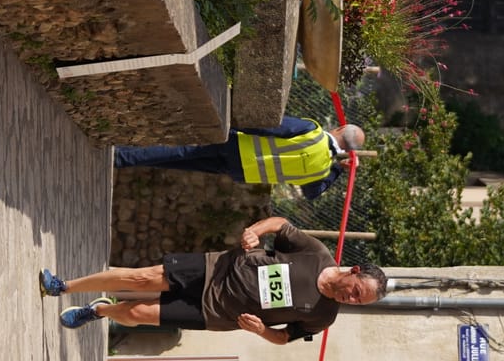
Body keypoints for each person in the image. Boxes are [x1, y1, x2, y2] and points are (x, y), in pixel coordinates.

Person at [41, 214, 387, 344]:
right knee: (142, 277)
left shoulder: (323, 316)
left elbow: (285, 338)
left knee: (136, 314)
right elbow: (280, 224)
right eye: (357, 292)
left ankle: (99, 312)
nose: (352, 300)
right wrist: (253, 232)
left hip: (215, 314)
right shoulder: (314, 253)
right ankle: (63, 286)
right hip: (215, 269)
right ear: (354, 272)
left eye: (359, 302)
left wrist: (261, 331)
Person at [111, 117, 363, 201]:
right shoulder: (322, 170)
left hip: (236, 144)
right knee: (182, 161)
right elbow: (312, 193)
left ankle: (122, 156)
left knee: (181, 150)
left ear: (340, 129)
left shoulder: (313, 130)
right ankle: (128, 159)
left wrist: (234, 124)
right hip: (242, 173)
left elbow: (272, 127)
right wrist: (338, 171)